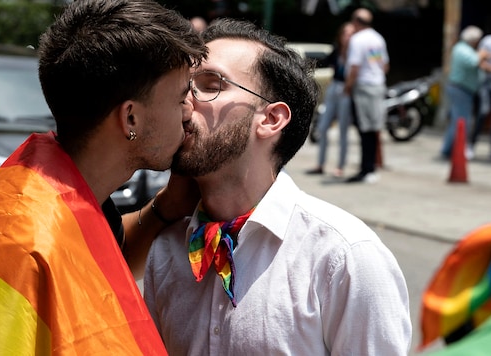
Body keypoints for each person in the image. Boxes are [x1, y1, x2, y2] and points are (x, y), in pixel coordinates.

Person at [0, 0, 207, 354]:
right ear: (130, 118)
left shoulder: (59, 190)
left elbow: (96, 256)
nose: (189, 110)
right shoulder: (26, 238)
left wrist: (166, 207)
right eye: (181, 97)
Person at [144, 18, 411, 355]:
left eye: (210, 84)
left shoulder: (344, 257)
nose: (185, 103)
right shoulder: (167, 250)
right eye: (185, 86)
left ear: (270, 119)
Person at [343, 8, 389, 183]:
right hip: (377, 86)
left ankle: (366, 169)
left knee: (364, 129)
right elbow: (384, 65)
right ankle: (369, 167)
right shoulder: (377, 38)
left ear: (356, 21)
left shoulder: (358, 39)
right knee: (372, 129)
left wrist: (348, 87)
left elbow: (354, 67)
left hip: (363, 87)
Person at [306, 21, 355, 178]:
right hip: (334, 86)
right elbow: (325, 62)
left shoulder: (356, 51)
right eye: (345, 33)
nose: (347, 37)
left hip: (347, 90)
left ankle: (340, 166)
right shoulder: (337, 50)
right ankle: (320, 164)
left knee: (343, 130)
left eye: (350, 34)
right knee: (323, 126)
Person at [440, 26, 491, 160]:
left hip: (463, 89)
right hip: (460, 89)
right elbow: (474, 61)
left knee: (458, 121)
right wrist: (483, 54)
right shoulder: (462, 49)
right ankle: (451, 151)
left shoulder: (465, 49)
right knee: (461, 122)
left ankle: (449, 150)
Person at [470, 33, 491, 160]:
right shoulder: (488, 41)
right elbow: (479, 60)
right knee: (483, 112)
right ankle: (471, 145)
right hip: (486, 84)